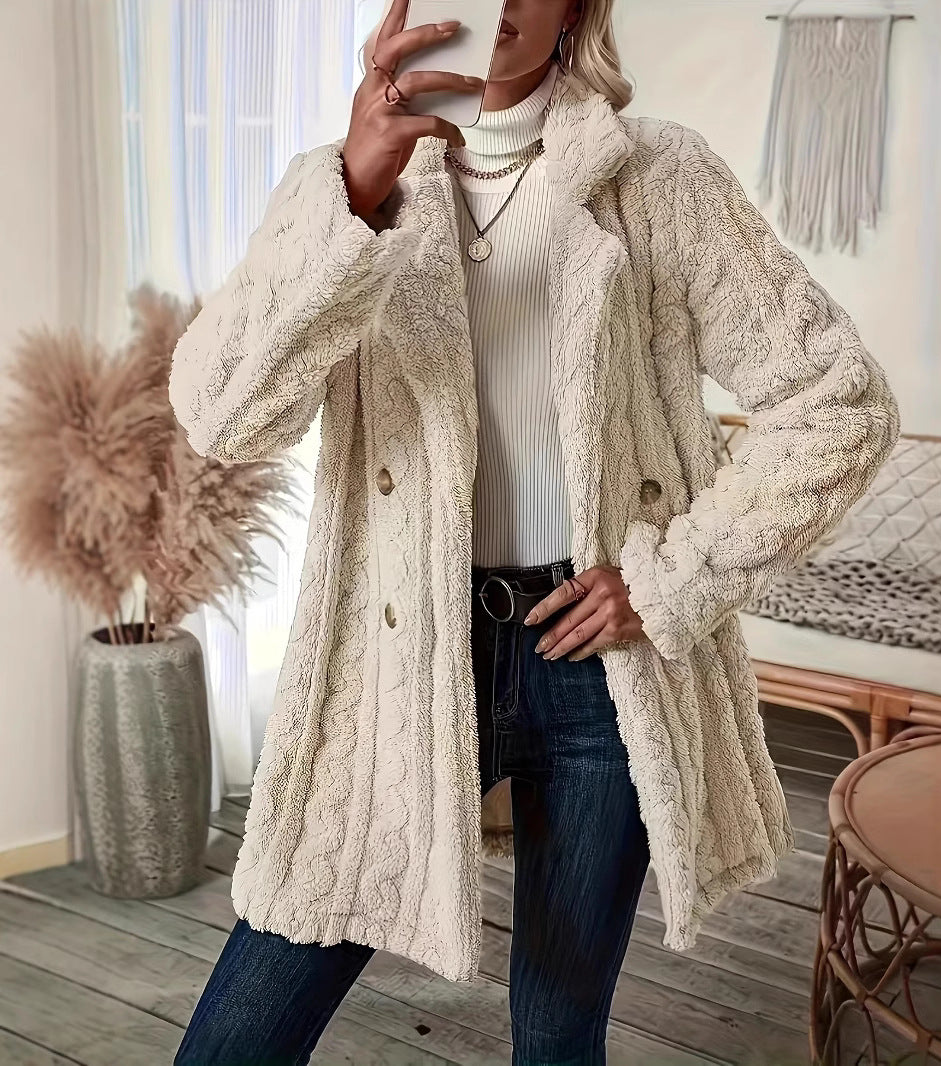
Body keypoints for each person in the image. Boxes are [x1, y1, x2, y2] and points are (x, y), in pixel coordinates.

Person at [170, 0, 900, 1062]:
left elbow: (840, 401)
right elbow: (225, 417)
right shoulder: (338, 188)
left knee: (559, 1035)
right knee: (244, 1027)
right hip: (400, 655)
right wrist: (357, 193)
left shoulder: (658, 176)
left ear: (574, 10)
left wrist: (670, 579)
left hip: (597, 667)